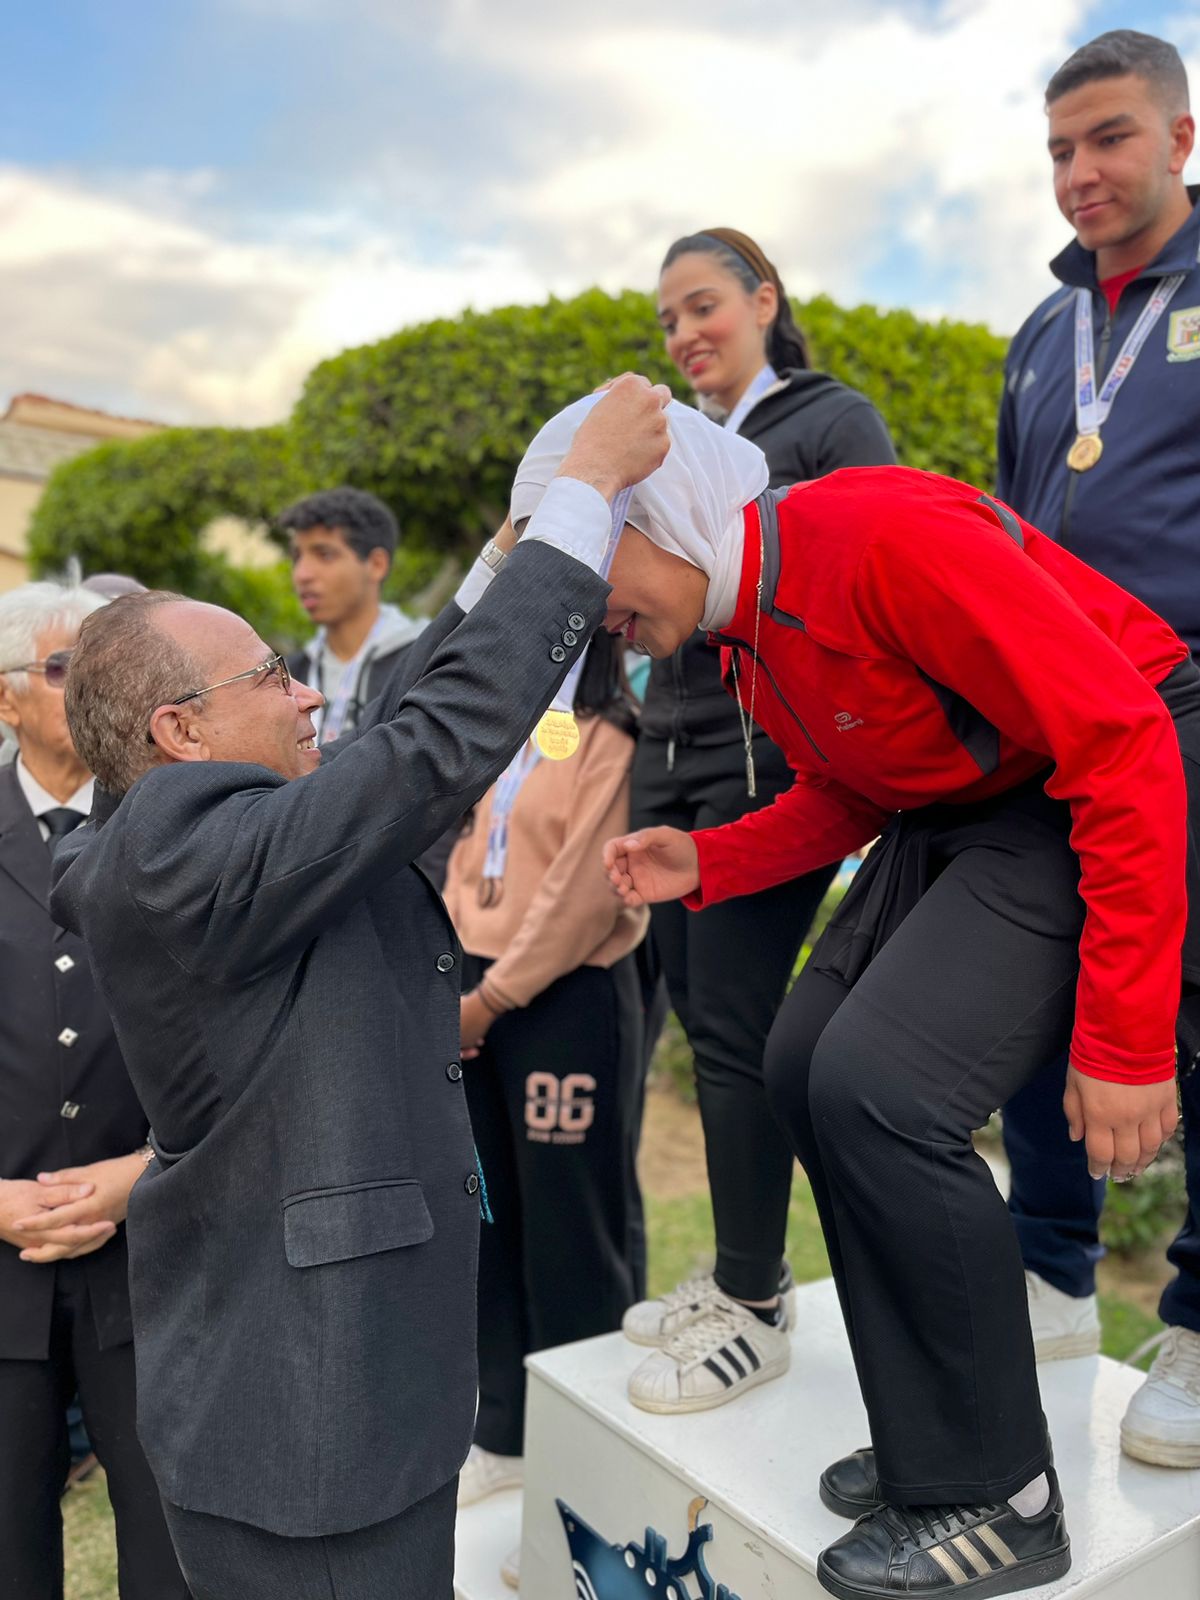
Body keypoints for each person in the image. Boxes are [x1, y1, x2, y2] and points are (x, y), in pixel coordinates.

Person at [502, 388, 1193, 1599]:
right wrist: (710, 857)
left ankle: (1006, 1497)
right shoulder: (742, 634)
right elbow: (866, 778)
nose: (586, 609)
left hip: (1114, 763)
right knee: (801, 1064)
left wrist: (1127, 1039)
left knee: (885, 1088)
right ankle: (939, 1439)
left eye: (589, 562)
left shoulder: (880, 538)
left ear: (662, 516)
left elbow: (1119, 737)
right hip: (984, 796)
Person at [622, 228, 896, 1413]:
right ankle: (749, 1270)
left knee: (735, 1019)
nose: (686, 334)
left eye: (704, 307)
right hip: (665, 751)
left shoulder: (832, 421)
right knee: (698, 1011)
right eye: (668, 319)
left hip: (768, 756)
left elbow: (866, 570)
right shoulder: (667, 441)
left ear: (765, 301)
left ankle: (752, 1296)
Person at [998, 28, 1200, 1466]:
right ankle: (1050, 1275)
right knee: (1038, 986)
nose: (1080, 171)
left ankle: (1198, 1318)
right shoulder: (1037, 333)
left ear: (1182, 138)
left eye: (1110, 137)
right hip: (1053, 714)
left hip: (1189, 702)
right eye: (1061, 148)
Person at [443, 627, 648, 1589]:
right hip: (471, 992)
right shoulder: (506, 727)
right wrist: (457, 982)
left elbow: (581, 894)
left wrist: (490, 998)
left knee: (571, 1231)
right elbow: (462, 859)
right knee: (489, 1220)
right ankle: (507, 1431)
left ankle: (585, 1470)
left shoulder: (615, 734)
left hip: (561, 1000)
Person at [0, 581, 188, 1600]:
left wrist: (146, 1172)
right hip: (4, 1263)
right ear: (6, 699)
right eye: (63, 667)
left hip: (149, 1256)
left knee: (169, 1544)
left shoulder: (172, 822)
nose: (84, 687)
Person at [281, 486, 427, 745]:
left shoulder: (425, 663)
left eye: (324, 555)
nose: (302, 574)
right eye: (297, 557)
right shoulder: (292, 673)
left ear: (377, 565)